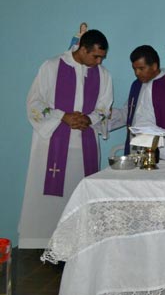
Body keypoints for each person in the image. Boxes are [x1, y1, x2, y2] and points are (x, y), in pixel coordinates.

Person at [19, 29, 113, 248]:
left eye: (102, 57)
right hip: (52, 144)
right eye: (95, 56)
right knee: (49, 197)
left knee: (79, 192)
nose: (99, 62)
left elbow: (104, 108)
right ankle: (44, 241)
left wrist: (89, 119)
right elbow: (35, 102)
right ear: (83, 49)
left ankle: (77, 243)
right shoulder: (51, 66)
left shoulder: (103, 75)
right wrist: (63, 116)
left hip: (84, 147)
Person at [108, 45, 165, 154]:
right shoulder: (137, 85)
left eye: (141, 68)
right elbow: (128, 114)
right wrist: (107, 113)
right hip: (135, 147)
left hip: (158, 148)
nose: (137, 73)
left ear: (154, 66)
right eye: (134, 69)